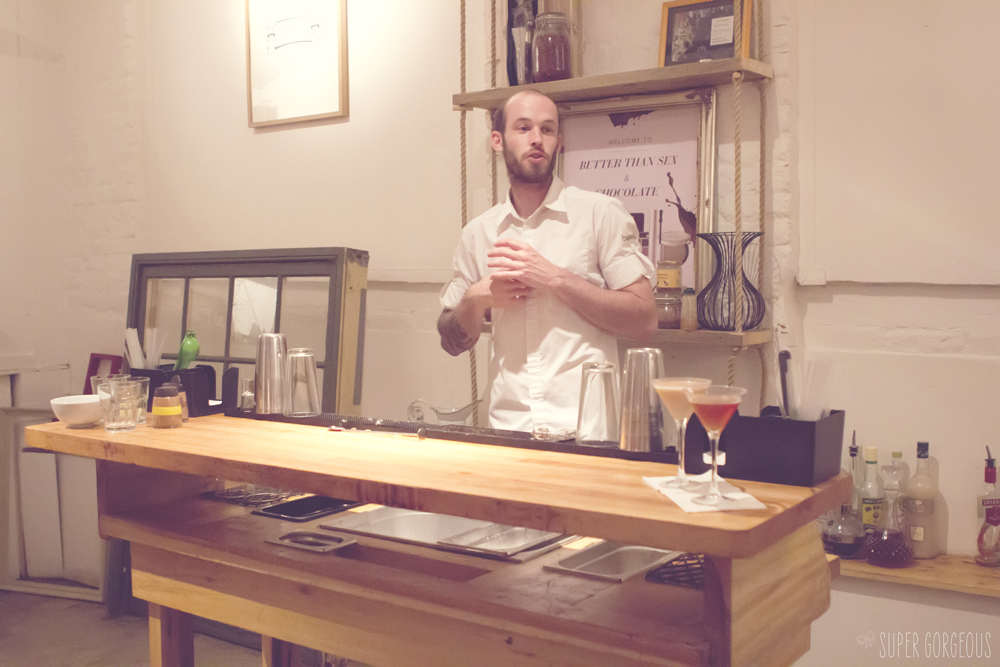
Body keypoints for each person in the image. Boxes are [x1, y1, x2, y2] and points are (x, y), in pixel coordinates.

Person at [438, 90, 656, 434]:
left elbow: (644, 320)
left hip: (589, 430)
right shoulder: (478, 233)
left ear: (559, 143)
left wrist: (555, 278)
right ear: (498, 140)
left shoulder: (600, 214)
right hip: (509, 428)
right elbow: (450, 341)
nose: (537, 138)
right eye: (523, 128)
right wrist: (476, 299)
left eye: (548, 129)